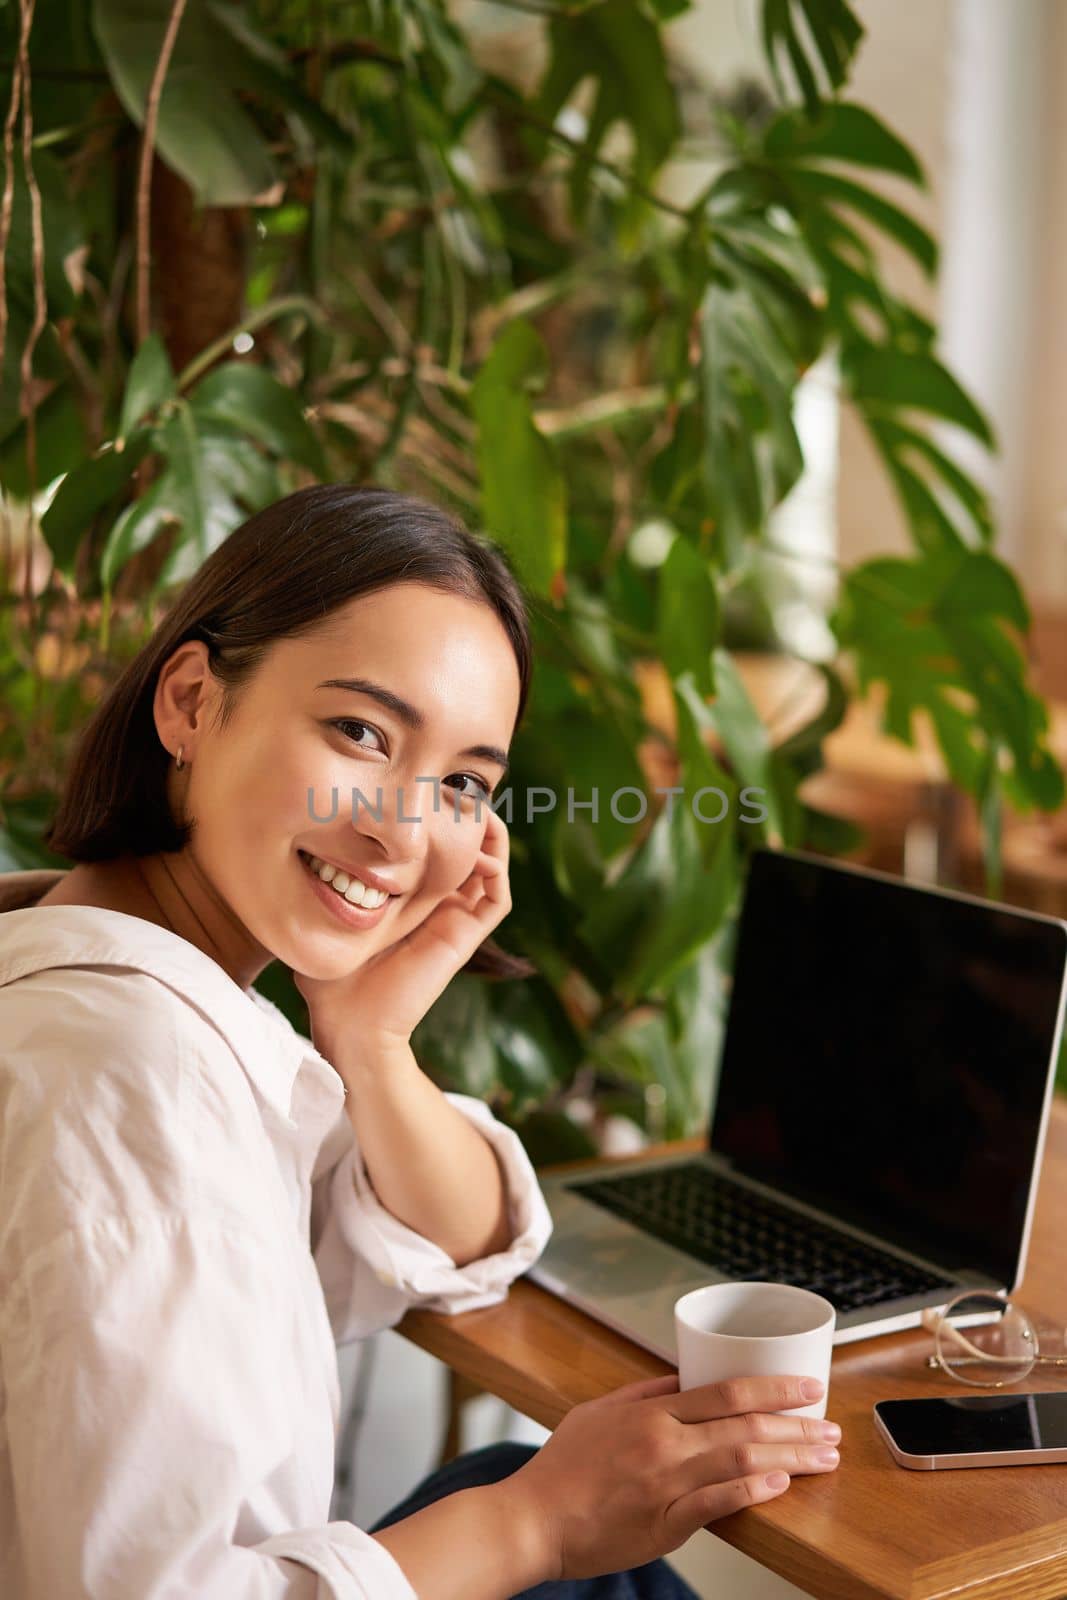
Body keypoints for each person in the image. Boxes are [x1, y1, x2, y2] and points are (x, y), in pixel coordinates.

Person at [0, 484, 841, 1598]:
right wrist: (534, 1526)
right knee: (534, 1513)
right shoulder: (128, 1077)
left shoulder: (126, 970)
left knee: (502, 1472)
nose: (401, 830)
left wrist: (371, 1038)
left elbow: (457, 1237)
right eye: (359, 731)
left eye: (458, 783)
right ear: (193, 703)